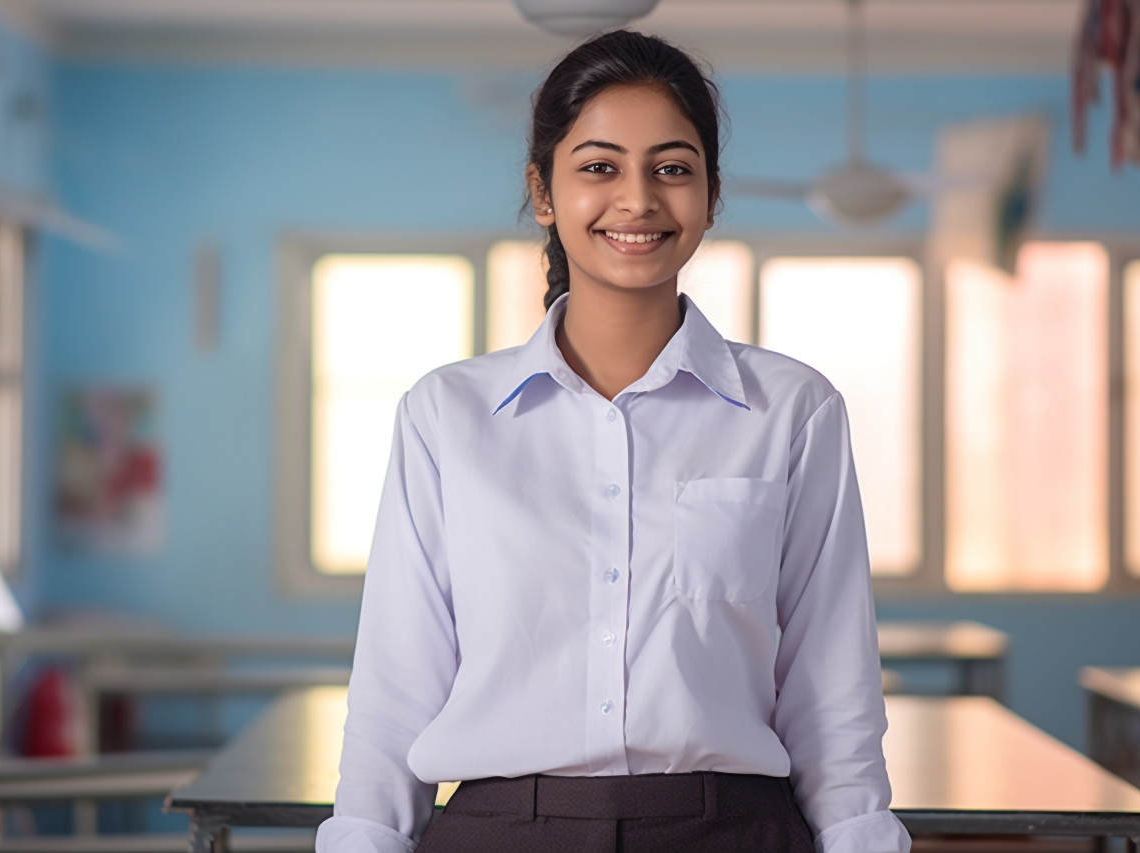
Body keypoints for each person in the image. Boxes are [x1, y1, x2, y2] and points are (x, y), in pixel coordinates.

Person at [315, 28, 911, 853]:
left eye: (672, 168)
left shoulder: (794, 411)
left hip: (733, 832)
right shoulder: (445, 416)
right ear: (545, 192)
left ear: (709, 194)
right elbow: (397, 681)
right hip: (497, 833)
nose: (638, 198)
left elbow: (830, 683)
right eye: (599, 166)